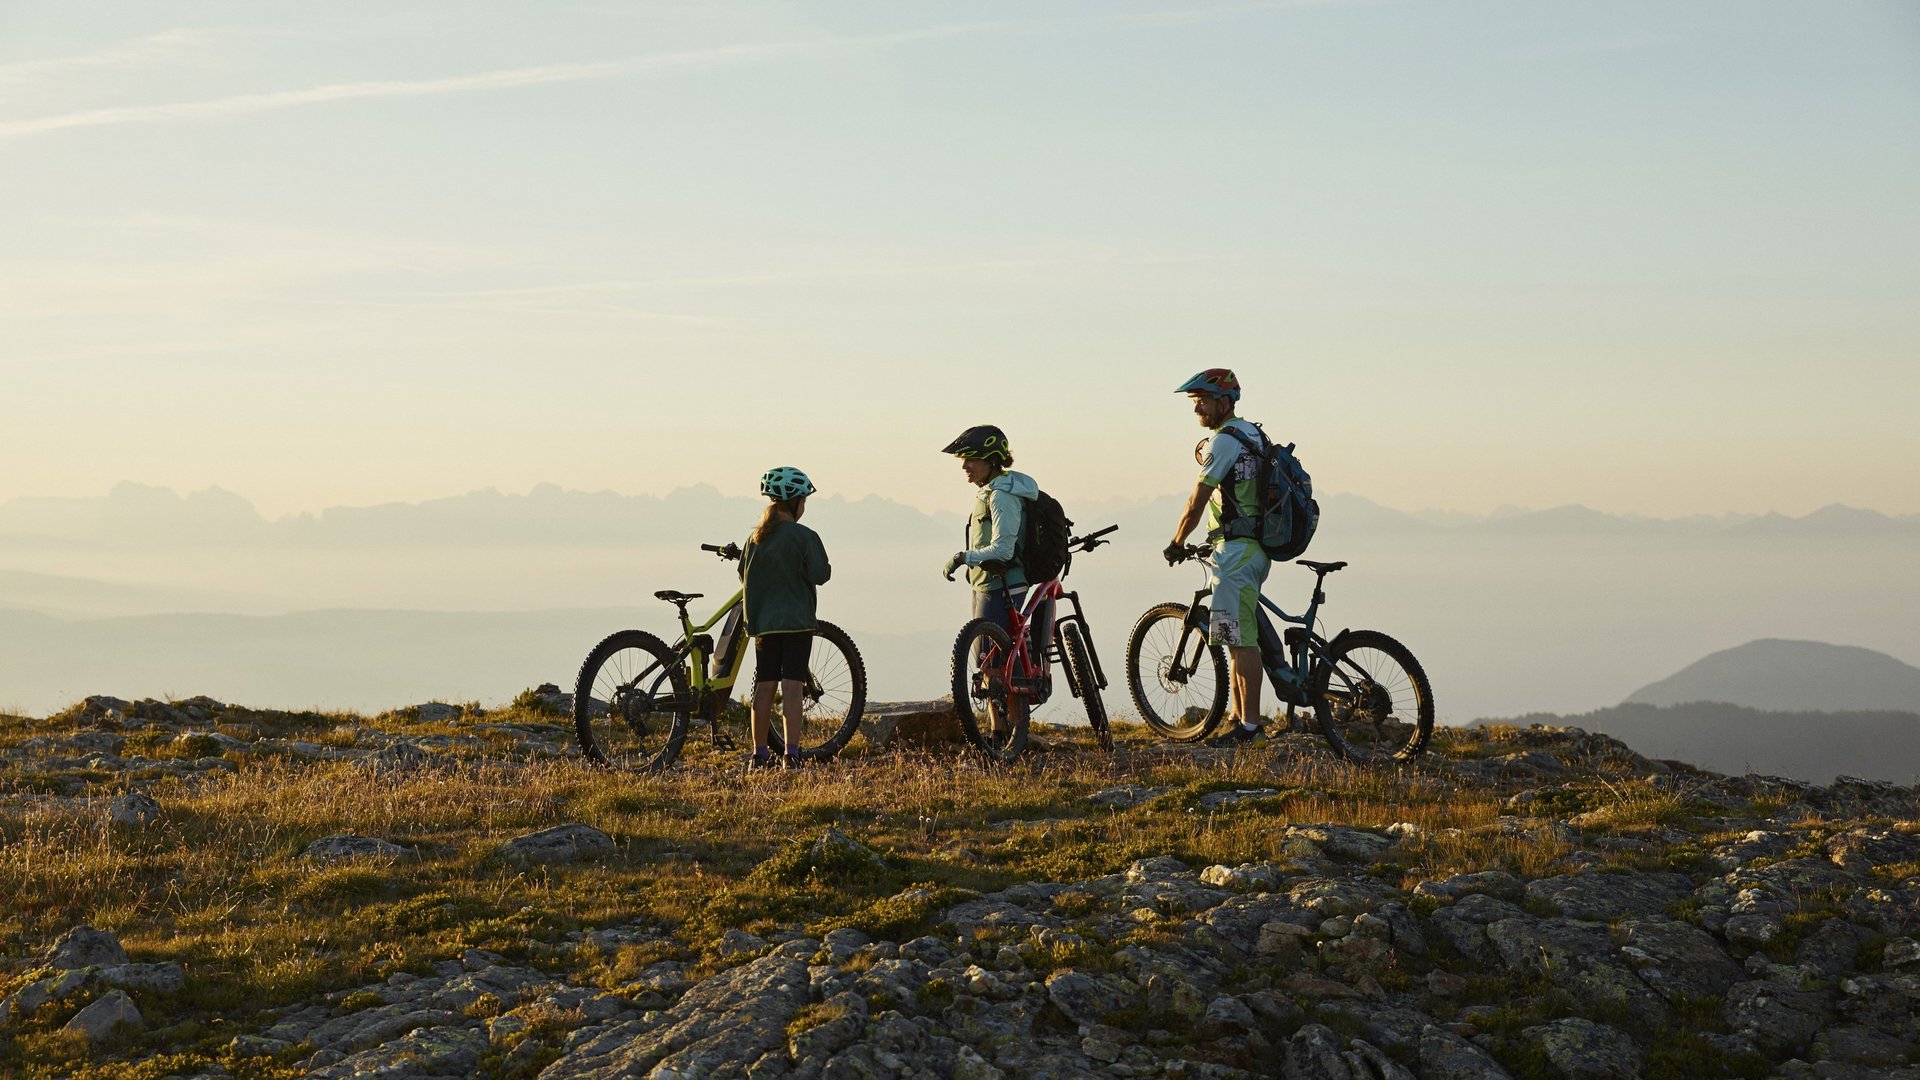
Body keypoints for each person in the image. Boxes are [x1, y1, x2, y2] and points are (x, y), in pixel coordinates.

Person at [1164, 369, 1273, 746]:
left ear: (1225, 402)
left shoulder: (1225, 441)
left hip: (1237, 552)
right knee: (1235, 635)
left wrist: (1177, 540)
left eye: (1203, 401)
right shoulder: (1251, 433)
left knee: (1242, 642)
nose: (1197, 408)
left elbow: (1197, 500)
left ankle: (1250, 728)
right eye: (1195, 402)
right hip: (1248, 547)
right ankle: (1237, 718)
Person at [939, 426, 1050, 734]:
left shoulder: (1001, 496)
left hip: (1002, 583)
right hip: (985, 583)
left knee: (995, 663)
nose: (965, 466)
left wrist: (963, 557)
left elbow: (1003, 549)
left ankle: (1004, 734)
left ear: (991, 460)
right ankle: (1003, 731)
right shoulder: (991, 491)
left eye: (971, 459)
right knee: (991, 661)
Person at [740, 466, 831, 770]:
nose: (804, 506)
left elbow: (742, 573)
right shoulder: (805, 536)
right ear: (794, 502)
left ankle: (758, 754)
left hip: (764, 624)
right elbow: (821, 574)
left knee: (764, 686)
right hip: (796, 622)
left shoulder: (755, 538)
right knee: (792, 687)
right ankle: (791, 755)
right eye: (803, 500)